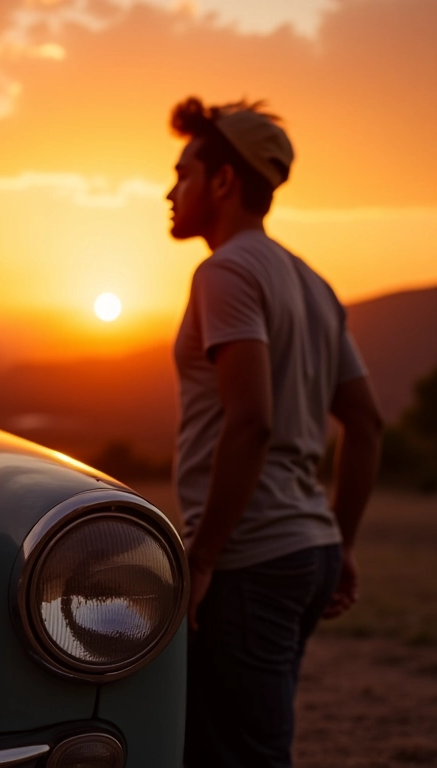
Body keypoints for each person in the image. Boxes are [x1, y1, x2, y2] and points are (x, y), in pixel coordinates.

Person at [166, 97, 383, 767]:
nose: (169, 191)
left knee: (236, 753)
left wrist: (201, 560)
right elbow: (368, 425)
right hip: (306, 550)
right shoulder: (314, 283)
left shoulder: (225, 271)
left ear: (224, 182)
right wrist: (338, 543)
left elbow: (252, 420)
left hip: (248, 560)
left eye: (183, 174)